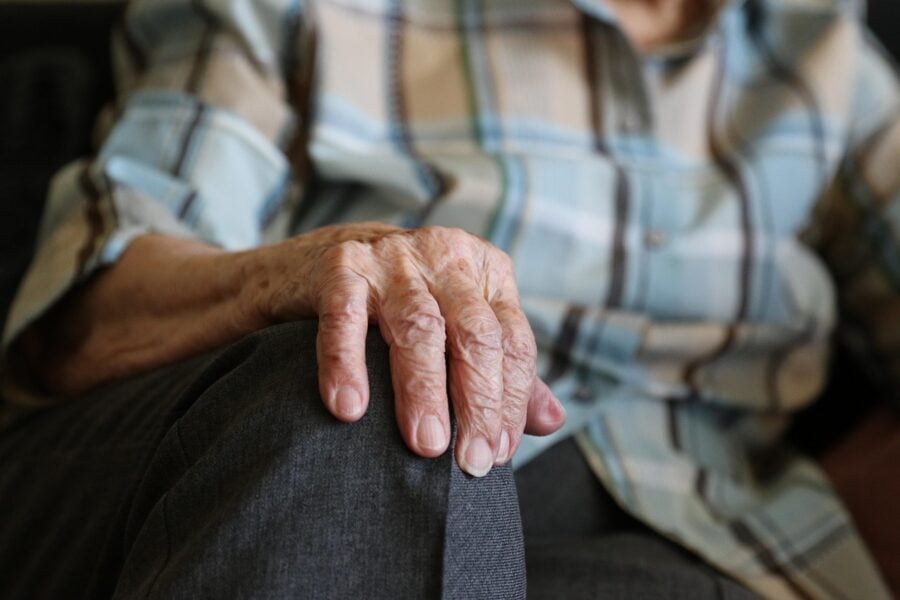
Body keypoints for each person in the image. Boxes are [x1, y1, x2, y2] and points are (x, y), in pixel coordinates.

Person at [0, 0, 897, 597]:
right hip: (323, 482)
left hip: (707, 534)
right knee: (379, 362)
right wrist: (318, 271)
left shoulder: (827, 55)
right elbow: (89, 305)